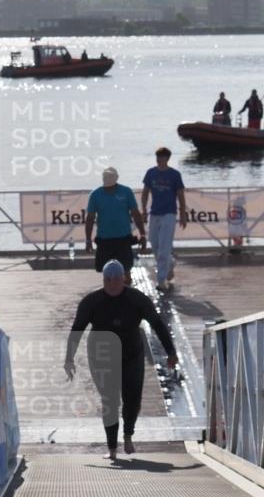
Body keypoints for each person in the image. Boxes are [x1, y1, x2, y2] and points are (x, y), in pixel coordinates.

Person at [64, 260, 178, 460]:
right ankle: (111, 448)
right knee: (109, 400)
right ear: (103, 280)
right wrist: (69, 358)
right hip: (101, 355)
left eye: (116, 279)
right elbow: (77, 329)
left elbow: (158, 324)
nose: (111, 284)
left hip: (131, 353)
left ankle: (128, 435)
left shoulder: (137, 299)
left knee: (132, 399)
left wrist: (171, 352)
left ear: (123, 279)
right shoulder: (91, 301)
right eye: (107, 280)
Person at [85, 167, 146, 285]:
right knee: (107, 273)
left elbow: (136, 214)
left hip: (123, 238)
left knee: (126, 271)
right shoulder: (95, 195)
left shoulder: (126, 192)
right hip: (104, 240)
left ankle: (127, 291)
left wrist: (142, 234)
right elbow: (90, 219)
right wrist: (88, 240)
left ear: (116, 179)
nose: (109, 187)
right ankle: (110, 292)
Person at [141, 147, 188, 292]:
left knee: (164, 248)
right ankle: (170, 263)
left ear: (167, 159)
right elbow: (145, 192)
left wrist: (183, 213)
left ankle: (161, 280)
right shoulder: (151, 173)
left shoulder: (175, 175)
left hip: (169, 214)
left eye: (162, 157)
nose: (159, 160)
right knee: (154, 244)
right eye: (158, 157)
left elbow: (180, 194)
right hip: (154, 213)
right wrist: (144, 210)